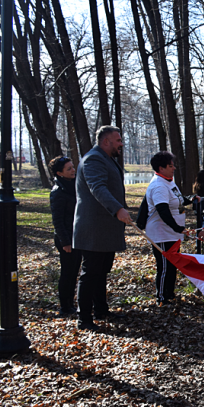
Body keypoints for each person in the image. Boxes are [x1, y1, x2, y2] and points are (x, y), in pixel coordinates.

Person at [73, 126, 132, 331]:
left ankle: (100, 309)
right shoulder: (93, 159)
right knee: (90, 273)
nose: (121, 144)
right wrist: (117, 209)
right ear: (106, 141)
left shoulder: (105, 158)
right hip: (94, 229)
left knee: (102, 271)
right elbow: (97, 187)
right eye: (118, 140)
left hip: (105, 230)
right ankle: (84, 319)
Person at [144, 151, 192, 306]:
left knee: (172, 265)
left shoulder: (168, 181)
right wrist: (177, 228)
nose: (174, 168)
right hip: (162, 234)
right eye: (170, 166)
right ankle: (162, 297)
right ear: (161, 168)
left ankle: (170, 294)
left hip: (172, 234)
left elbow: (177, 199)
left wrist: (190, 200)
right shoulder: (158, 185)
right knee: (165, 266)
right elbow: (163, 210)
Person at [49, 156, 80, 317]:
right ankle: (65, 306)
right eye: (69, 169)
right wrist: (65, 242)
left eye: (73, 167)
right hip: (66, 239)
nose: (73, 170)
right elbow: (58, 221)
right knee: (67, 273)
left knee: (74, 272)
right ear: (60, 173)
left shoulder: (74, 186)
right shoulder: (57, 192)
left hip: (77, 236)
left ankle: (71, 303)